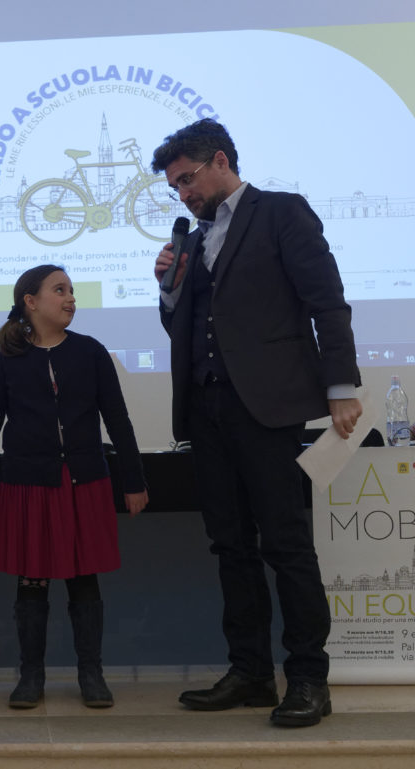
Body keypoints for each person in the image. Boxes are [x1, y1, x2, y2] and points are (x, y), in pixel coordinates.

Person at [151, 118, 362, 727]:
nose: (183, 194)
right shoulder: (195, 241)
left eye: (187, 179)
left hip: (267, 407)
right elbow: (184, 328)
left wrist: (340, 387)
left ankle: (308, 677)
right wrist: (169, 290)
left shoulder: (282, 213)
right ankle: (250, 672)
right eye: (174, 187)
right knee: (230, 546)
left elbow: (327, 301)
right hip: (206, 410)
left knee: (285, 544)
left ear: (220, 161)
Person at [0, 265, 148, 710]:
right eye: (60, 290)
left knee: (83, 578)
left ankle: (91, 673)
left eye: (71, 290)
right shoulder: (8, 356)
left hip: (84, 481)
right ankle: (30, 676)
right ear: (31, 302)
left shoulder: (91, 352)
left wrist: (134, 480)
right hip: (28, 483)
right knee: (31, 581)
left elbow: (118, 419)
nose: (70, 297)